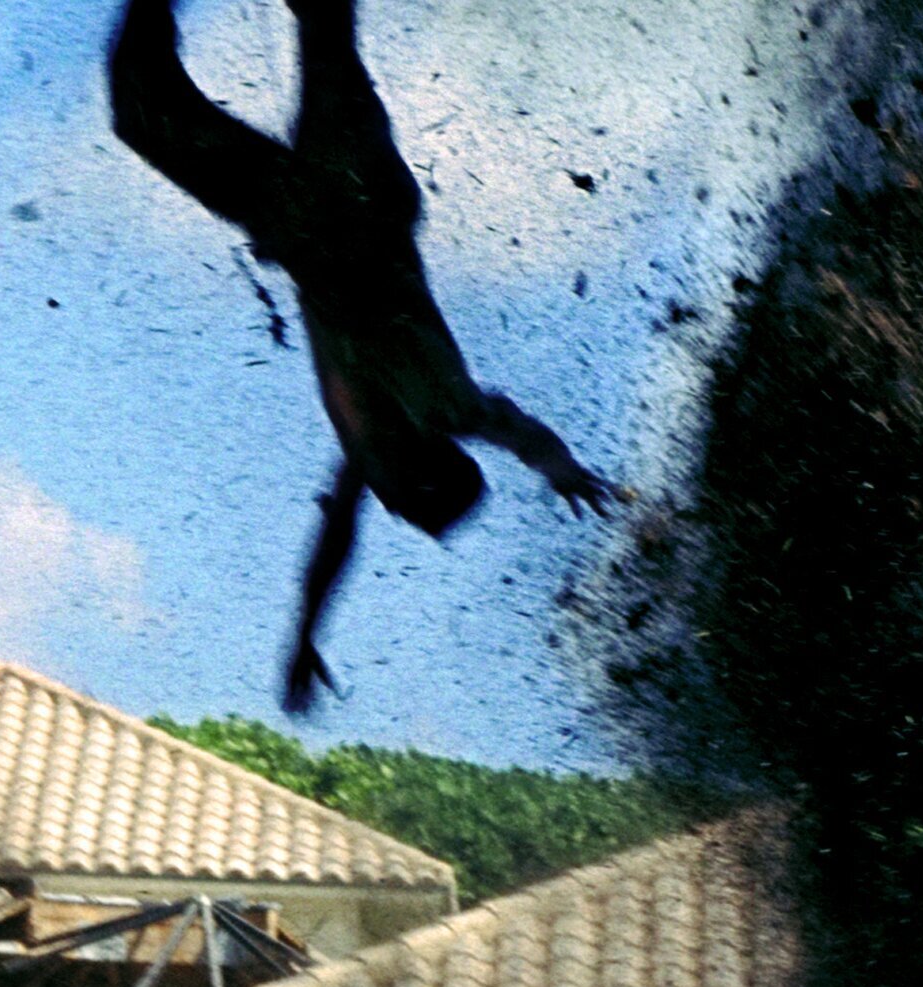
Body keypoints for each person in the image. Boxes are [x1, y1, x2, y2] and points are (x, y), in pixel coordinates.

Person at [109, 0, 618, 713]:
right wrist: (561, 467)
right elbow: (511, 427)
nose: (383, 499)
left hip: (297, 216)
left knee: (142, 111)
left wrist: (305, 634)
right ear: (422, 468)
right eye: (400, 501)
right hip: (358, 192)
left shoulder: (374, 447)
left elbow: (339, 533)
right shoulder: (439, 405)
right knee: (322, 29)